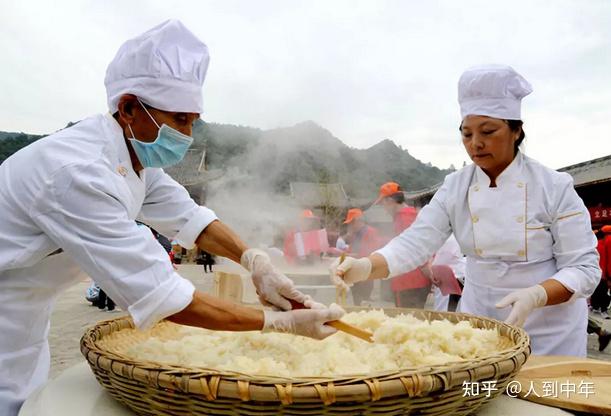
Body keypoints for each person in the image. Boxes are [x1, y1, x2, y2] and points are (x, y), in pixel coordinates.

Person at [0, 20, 342, 415]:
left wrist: (256, 262)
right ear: (128, 108)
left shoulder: (135, 163)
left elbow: (192, 219)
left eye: (193, 121)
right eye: (180, 119)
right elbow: (166, 299)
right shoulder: (77, 172)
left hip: (25, 319)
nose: (188, 133)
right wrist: (277, 324)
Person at [331, 64, 600, 356]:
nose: (476, 144)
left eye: (488, 131)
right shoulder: (456, 186)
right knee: (483, 397)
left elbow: (584, 268)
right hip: (478, 323)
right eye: (467, 134)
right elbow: (415, 243)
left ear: (516, 131)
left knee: (540, 399)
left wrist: (536, 295)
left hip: (548, 328)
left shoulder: (554, 186)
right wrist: (365, 266)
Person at [375, 182, 434, 308]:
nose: (384, 209)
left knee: (406, 320)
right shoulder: (411, 214)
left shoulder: (404, 217)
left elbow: (415, 246)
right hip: (415, 281)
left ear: (390, 200)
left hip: (408, 281)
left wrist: (425, 267)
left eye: (383, 204)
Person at [342, 208, 382, 305]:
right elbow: (352, 248)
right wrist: (344, 253)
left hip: (366, 273)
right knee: (357, 299)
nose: (350, 226)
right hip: (355, 272)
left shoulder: (371, 232)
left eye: (351, 223)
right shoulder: (355, 234)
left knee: (364, 301)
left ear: (357, 221)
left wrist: (350, 255)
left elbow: (371, 253)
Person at [431, 234, 465, 312]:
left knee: (446, 313)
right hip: (448, 281)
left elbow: (440, 262)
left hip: (453, 281)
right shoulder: (450, 238)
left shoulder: (451, 238)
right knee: (443, 313)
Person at [591, 229, 610, 318]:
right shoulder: (604, 245)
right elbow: (607, 260)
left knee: (596, 290)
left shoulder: (592, 245)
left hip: (594, 273)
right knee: (603, 292)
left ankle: (595, 307)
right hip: (603, 274)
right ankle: (603, 309)